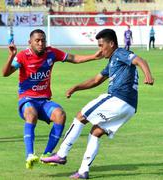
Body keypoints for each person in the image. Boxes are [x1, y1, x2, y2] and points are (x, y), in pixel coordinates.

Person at [41, 29, 154, 179]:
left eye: (101, 45)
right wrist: (76, 87)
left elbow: (140, 60)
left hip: (118, 99)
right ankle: (83, 171)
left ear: (111, 44)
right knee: (96, 132)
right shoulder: (112, 62)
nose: (100, 49)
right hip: (129, 107)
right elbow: (96, 80)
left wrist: (148, 75)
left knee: (81, 116)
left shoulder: (120, 53)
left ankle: (61, 154)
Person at [2, 29, 103, 169]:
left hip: (43, 101)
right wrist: (11, 55)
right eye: (37, 40)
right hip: (27, 100)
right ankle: (30, 155)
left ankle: (47, 154)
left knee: (60, 115)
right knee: (31, 114)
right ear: (29, 42)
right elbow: (5, 73)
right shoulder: (22, 56)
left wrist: (94, 56)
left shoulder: (51, 53)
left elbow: (73, 58)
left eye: (43, 40)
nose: (40, 43)